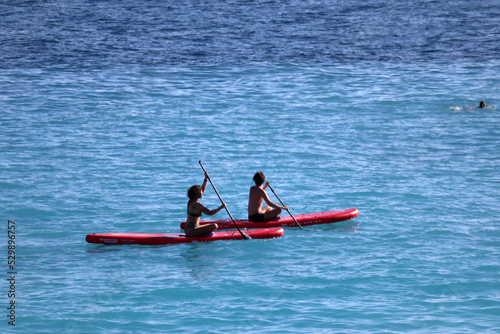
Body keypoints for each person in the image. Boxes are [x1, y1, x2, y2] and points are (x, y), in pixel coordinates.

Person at [185, 172, 225, 237]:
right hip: (192, 231)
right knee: (215, 226)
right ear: (198, 194)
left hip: (188, 229)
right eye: (200, 191)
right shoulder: (197, 205)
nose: (202, 191)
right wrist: (221, 207)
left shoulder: (190, 201)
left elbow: (202, 190)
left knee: (210, 225)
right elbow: (210, 213)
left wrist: (205, 179)